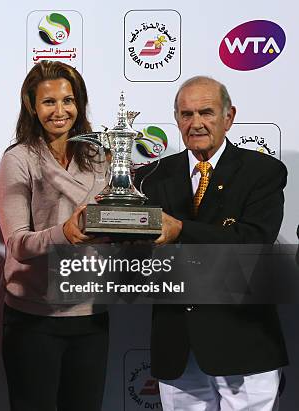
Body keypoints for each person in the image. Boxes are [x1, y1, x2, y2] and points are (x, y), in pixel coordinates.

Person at [135, 76, 287, 410]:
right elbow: (140, 258)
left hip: (244, 340)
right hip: (177, 343)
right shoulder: (151, 176)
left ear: (229, 116)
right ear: (176, 120)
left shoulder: (262, 171)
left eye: (206, 112)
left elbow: (253, 243)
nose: (196, 123)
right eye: (186, 114)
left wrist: (179, 231)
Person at [0, 61, 110, 411]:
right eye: (49, 102)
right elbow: (17, 243)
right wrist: (65, 233)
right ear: (32, 106)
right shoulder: (18, 159)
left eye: (68, 100)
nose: (60, 111)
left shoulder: (100, 156)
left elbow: (109, 227)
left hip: (91, 313)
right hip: (34, 319)